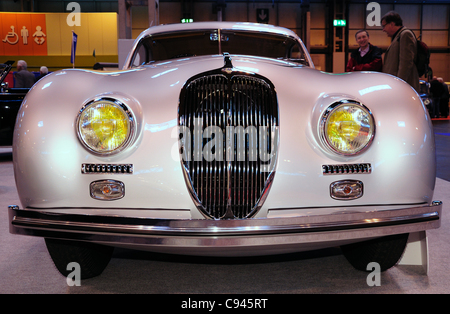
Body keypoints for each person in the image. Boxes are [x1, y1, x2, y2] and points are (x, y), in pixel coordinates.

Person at [381, 11, 420, 92]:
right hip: (399, 86)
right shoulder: (398, 36)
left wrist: (399, 84)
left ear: (392, 24)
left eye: (384, 26)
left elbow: (406, 63)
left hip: (404, 87)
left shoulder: (405, 34)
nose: (383, 30)